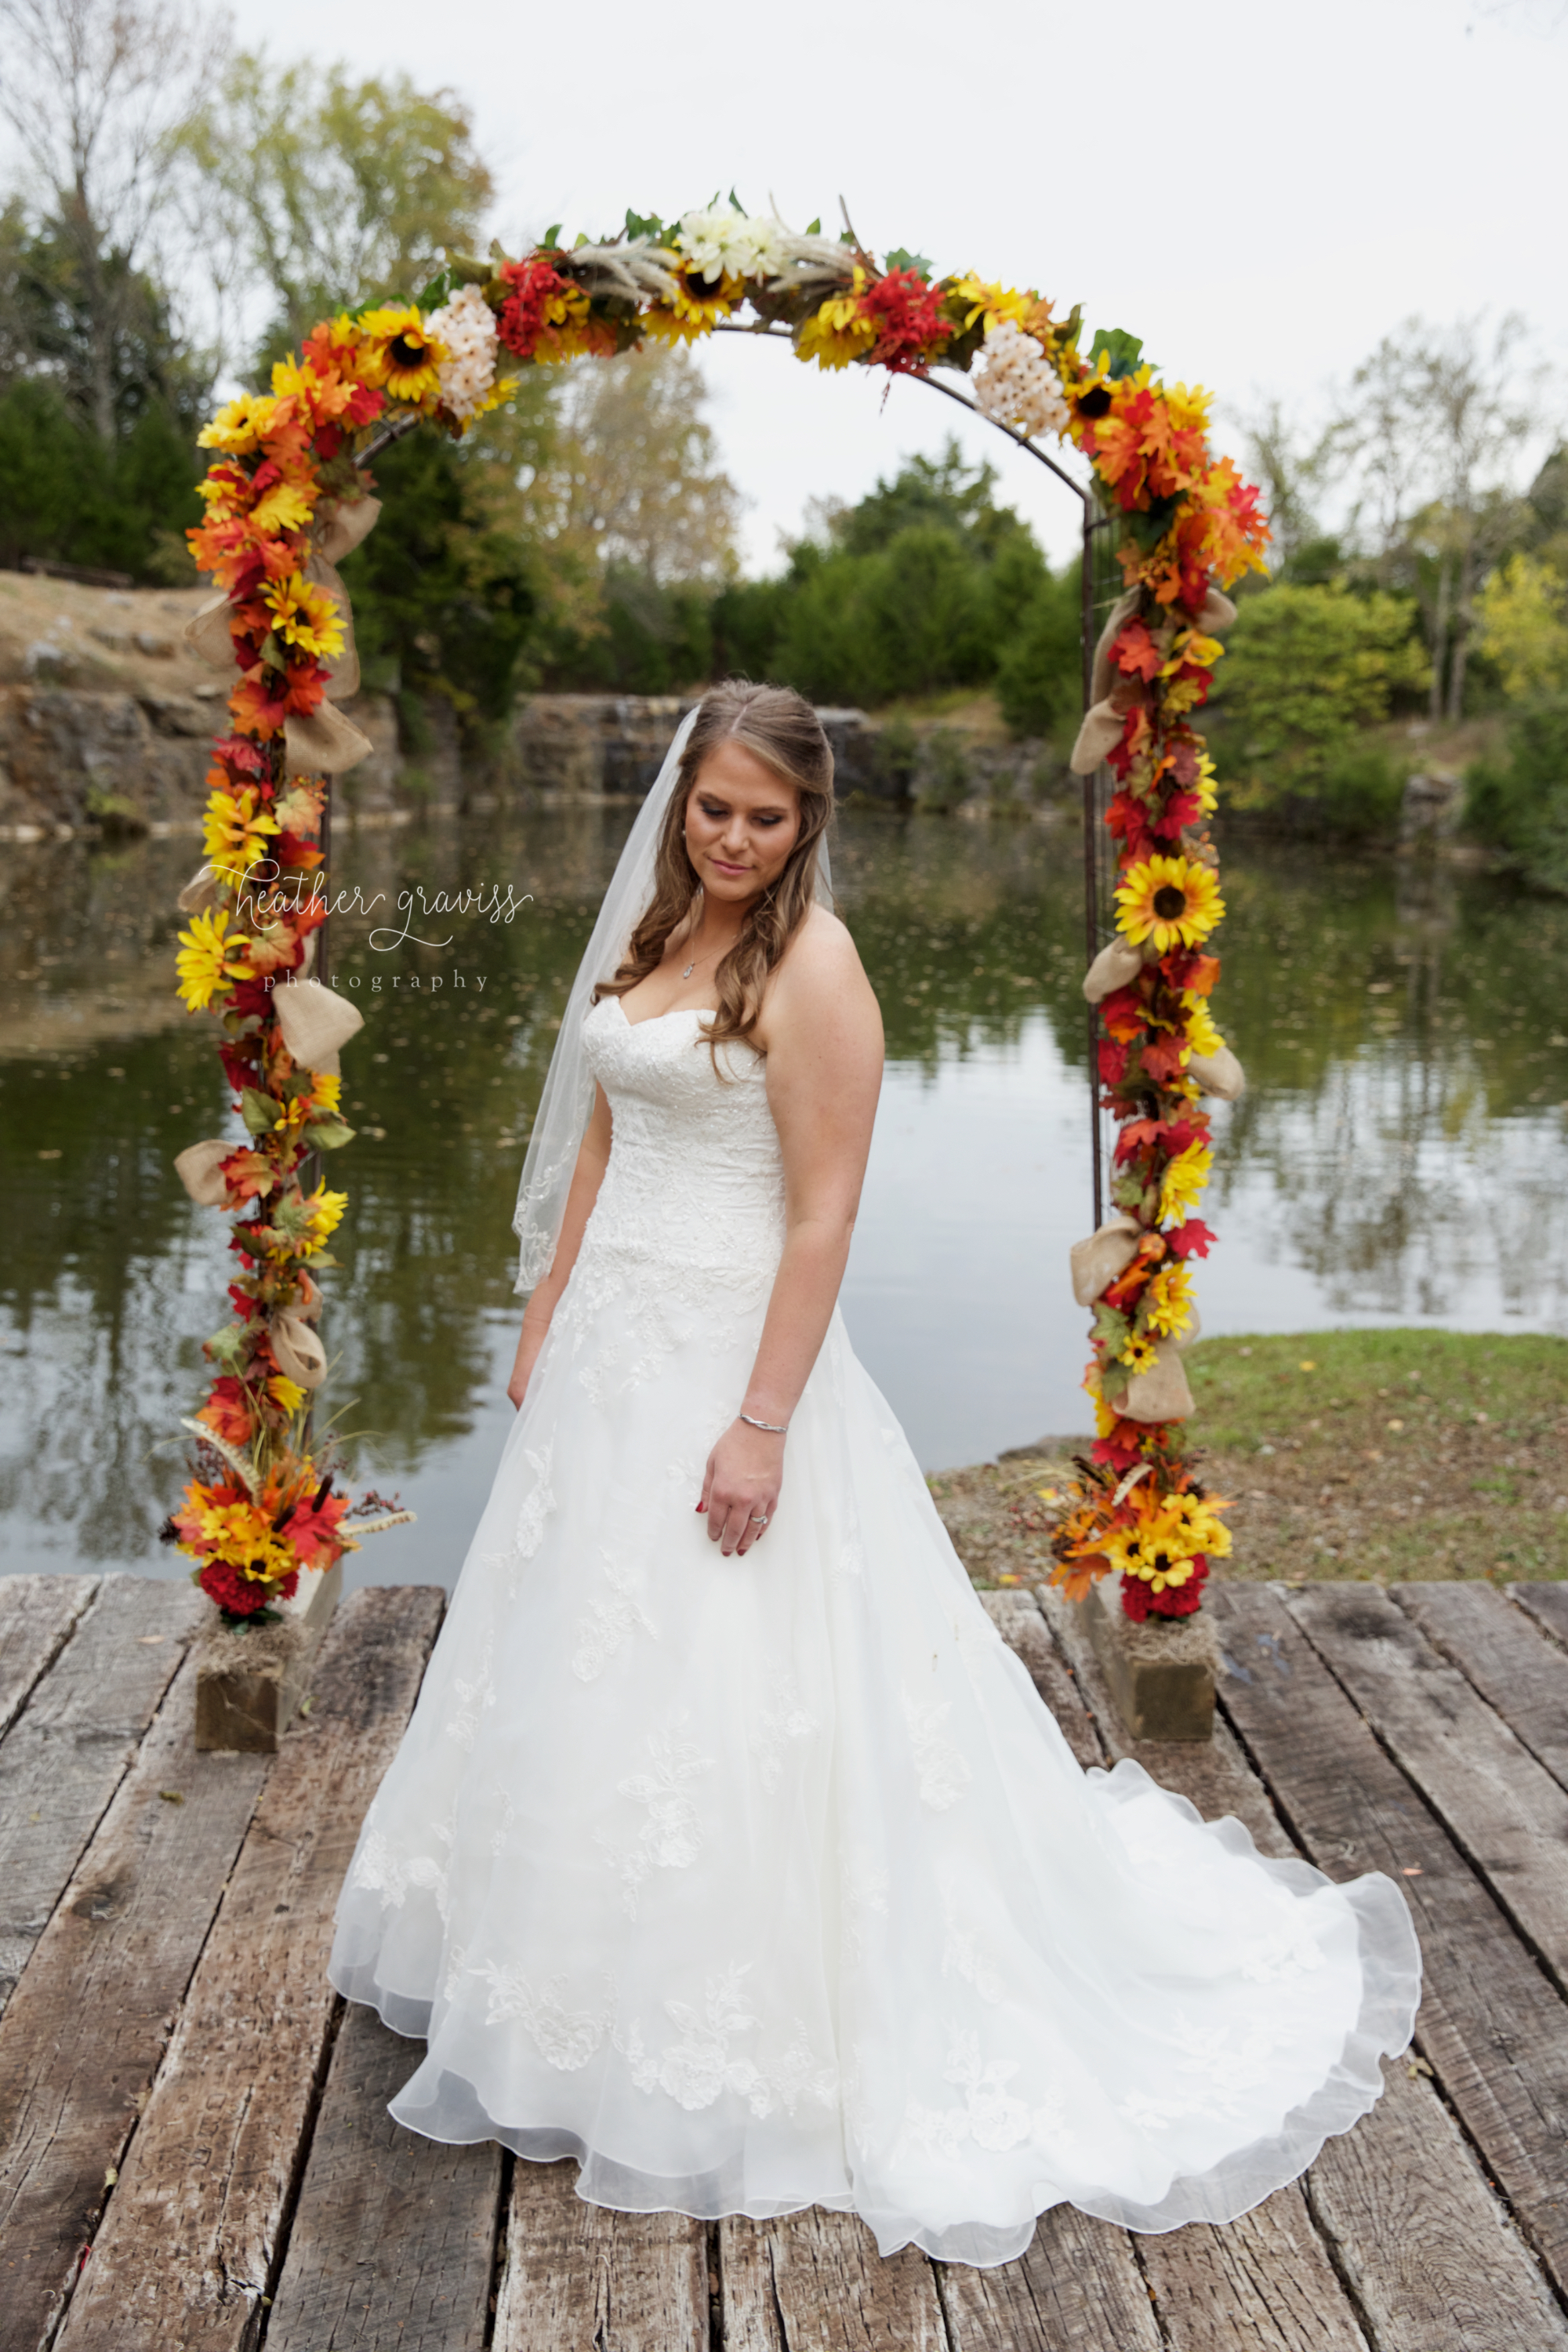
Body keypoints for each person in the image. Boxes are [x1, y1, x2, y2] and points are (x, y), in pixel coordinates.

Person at [329, 681, 1419, 2269]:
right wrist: (548, 1300)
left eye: (764, 818)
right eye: (712, 807)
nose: (730, 839)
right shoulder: (650, 942)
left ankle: (734, 2014)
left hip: (729, 1361)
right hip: (611, 1357)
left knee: (725, 1665)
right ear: (681, 797)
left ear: (807, 824)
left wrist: (759, 1422)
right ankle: (554, 1967)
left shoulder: (818, 971)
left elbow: (824, 1216)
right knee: (581, 1648)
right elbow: (602, 1142)